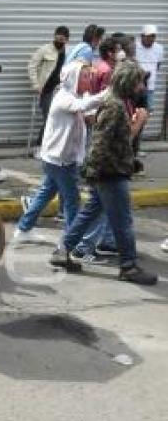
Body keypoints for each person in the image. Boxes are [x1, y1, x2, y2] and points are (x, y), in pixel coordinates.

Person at [50, 62, 157, 286]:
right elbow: (102, 143)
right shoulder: (115, 107)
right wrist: (137, 126)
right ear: (128, 82)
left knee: (89, 213)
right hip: (109, 173)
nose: (141, 87)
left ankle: (62, 251)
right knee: (123, 221)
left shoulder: (118, 104)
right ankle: (128, 266)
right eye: (138, 82)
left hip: (108, 171)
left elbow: (117, 142)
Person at [14, 62, 107, 243]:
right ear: (74, 79)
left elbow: (89, 110)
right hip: (60, 159)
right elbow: (83, 105)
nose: (90, 79)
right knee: (72, 200)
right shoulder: (64, 97)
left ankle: (23, 229)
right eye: (85, 76)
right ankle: (71, 241)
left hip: (59, 157)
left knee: (46, 193)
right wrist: (108, 93)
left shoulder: (79, 96)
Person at [28, 26, 70, 142]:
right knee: (49, 118)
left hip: (61, 91)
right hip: (46, 91)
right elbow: (32, 66)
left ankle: (51, 144)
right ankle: (40, 145)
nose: (59, 42)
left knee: (57, 119)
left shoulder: (69, 52)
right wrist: (36, 85)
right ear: (54, 37)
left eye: (62, 40)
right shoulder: (44, 50)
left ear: (67, 40)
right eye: (58, 39)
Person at [136, 24, 163, 112]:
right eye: (148, 36)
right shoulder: (135, 47)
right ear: (142, 36)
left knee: (148, 110)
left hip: (150, 87)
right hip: (136, 87)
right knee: (134, 111)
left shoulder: (159, 48)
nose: (151, 39)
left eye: (153, 36)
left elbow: (158, 65)